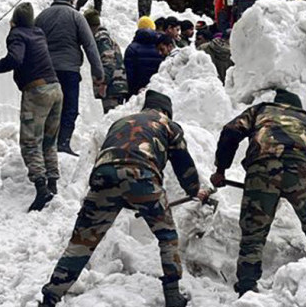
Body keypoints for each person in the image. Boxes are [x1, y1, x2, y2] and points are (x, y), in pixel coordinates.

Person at [39, 90, 208, 307]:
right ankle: (173, 295)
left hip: (103, 177)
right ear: (166, 111)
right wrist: (194, 191)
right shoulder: (167, 124)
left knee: (82, 241)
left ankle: (50, 297)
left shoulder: (121, 122)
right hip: (142, 176)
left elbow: (114, 156)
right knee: (167, 236)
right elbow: (184, 166)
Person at [210, 89, 306, 297]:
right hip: (300, 169)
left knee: (254, 232)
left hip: (263, 168)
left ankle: (247, 287)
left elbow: (231, 131)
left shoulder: (261, 110)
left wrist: (221, 170)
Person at [0, 3, 63, 211]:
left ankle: (41, 190)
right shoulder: (38, 33)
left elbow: (15, 59)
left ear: (15, 20)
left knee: (30, 142)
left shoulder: (17, 34)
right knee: (49, 140)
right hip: (55, 89)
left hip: (37, 92)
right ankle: (53, 183)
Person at [36, 0, 105, 157]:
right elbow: (90, 46)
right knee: (69, 107)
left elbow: (33, 43)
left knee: (48, 106)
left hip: (46, 71)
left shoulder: (42, 17)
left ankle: (47, 143)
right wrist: (98, 73)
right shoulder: (76, 17)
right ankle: (63, 143)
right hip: (69, 71)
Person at [84, 9, 129, 114]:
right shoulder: (105, 38)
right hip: (116, 86)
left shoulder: (101, 38)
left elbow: (108, 62)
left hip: (112, 87)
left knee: (110, 119)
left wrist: (103, 82)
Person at [124, 23, 173, 96]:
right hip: (155, 88)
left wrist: (130, 91)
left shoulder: (132, 48)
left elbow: (129, 72)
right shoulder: (159, 47)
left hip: (136, 89)